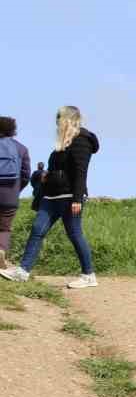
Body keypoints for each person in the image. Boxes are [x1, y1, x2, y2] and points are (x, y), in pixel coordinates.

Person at [2, 106, 99, 288]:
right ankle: (23, 271)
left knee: (75, 234)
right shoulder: (62, 144)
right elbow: (58, 170)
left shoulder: (81, 141)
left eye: (58, 119)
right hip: (51, 196)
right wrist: (44, 175)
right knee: (37, 230)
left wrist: (77, 198)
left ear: (67, 120)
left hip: (70, 196)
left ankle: (88, 275)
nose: (56, 123)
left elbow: (80, 172)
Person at [0, 118, 32, 270]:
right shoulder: (21, 149)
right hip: (10, 195)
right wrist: (16, 189)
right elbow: (26, 175)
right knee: (4, 228)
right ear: (13, 130)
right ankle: (1, 250)